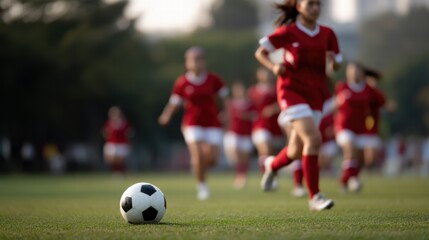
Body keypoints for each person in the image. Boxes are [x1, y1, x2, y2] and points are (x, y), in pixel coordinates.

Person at [255, 0, 342, 211]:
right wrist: (274, 66)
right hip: (291, 91)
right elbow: (260, 53)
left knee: (295, 150)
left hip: (316, 95)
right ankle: (315, 197)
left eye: (318, 4)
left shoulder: (328, 34)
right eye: (310, 4)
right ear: (298, 7)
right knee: (314, 138)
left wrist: (333, 61)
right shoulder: (289, 32)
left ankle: (272, 165)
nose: (315, 8)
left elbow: (337, 63)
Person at [158, 46, 228, 200]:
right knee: (198, 154)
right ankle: (202, 186)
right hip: (192, 123)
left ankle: (198, 166)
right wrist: (166, 115)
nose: (196, 63)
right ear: (187, 63)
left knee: (213, 159)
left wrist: (226, 114)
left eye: (199, 59)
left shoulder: (213, 79)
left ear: (204, 61)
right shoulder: (182, 82)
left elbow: (224, 99)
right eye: (192, 60)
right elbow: (174, 103)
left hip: (212, 123)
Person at [333, 62, 386, 193]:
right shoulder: (342, 87)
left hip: (363, 128)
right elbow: (336, 104)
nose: (353, 73)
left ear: (362, 73)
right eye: (350, 70)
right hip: (344, 126)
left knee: (369, 159)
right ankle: (347, 181)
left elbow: (382, 101)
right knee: (350, 150)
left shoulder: (369, 89)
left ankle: (350, 178)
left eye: (356, 70)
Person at [223, 81, 255, 189]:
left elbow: (254, 116)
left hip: (246, 133)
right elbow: (227, 116)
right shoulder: (231, 103)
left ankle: (242, 177)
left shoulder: (249, 104)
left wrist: (245, 116)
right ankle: (239, 174)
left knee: (245, 157)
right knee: (236, 154)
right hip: (233, 132)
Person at [103, 106, 132, 175]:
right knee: (111, 159)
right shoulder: (109, 123)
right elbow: (106, 132)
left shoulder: (124, 122)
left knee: (120, 160)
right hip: (112, 143)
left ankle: (120, 173)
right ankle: (115, 171)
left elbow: (129, 132)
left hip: (121, 143)